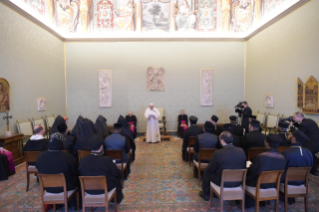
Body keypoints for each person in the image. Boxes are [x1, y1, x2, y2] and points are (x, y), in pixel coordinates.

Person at [36, 132, 79, 208]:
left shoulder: (40, 156)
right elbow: (76, 171)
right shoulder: (67, 157)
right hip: (67, 187)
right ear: (61, 143)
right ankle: (74, 204)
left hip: (48, 188)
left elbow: (38, 168)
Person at [199, 131, 246, 201]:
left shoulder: (218, 153)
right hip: (237, 182)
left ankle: (206, 194)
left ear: (222, 141)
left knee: (206, 172)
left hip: (221, 181)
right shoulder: (241, 151)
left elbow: (210, 168)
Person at [79, 135, 124, 203]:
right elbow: (117, 173)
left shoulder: (83, 160)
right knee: (116, 179)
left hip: (88, 189)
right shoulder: (106, 160)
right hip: (104, 189)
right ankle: (117, 200)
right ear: (101, 147)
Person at [245, 134, 286, 208]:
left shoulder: (260, 157)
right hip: (273, 185)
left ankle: (248, 203)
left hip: (257, 185)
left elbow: (251, 173)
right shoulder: (283, 158)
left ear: (266, 143)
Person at [289, 112, 319, 176]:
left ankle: (305, 171)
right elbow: (302, 127)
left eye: (294, 117)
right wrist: (295, 124)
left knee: (302, 151)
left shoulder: (304, 124)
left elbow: (297, 134)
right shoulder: (309, 120)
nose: (293, 119)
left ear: (299, 117)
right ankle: (315, 171)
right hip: (317, 144)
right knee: (312, 155)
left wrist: (291, 127)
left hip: (311, 144)